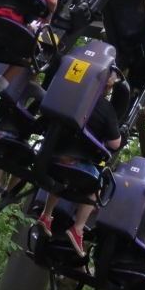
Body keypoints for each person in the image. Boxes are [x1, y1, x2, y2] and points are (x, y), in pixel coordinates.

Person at [34, 70, 123, 257]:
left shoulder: (69, 94)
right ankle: (78, 228)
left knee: (60, 178)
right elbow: (115, 144)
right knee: (98, 183)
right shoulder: (105, 107)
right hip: (77, 166)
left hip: (50, 159)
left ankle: (46, 215)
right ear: (107, 86)